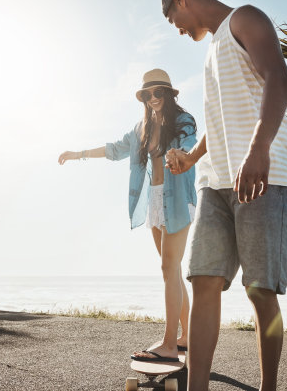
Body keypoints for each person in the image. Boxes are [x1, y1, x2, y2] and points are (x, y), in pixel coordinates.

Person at [161, 0, 287, 390]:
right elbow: (220, 122)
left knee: (259, 291)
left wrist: (258, 150)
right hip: (215, 185)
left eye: (173, 19)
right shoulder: (211, 50)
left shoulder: (245, 18)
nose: (177, 29)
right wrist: (192, 157)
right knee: (203, 280)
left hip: (263, 179)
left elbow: (280, 79)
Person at [58, 68, 198, 362]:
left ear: (169, 94)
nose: (153, 98)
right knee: (170, 270)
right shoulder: (141, 129)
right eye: (147, 94)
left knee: (168, 268)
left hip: (177, 201)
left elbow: (190, 143)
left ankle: (170, 344)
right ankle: (187, 336)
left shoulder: (183, 120)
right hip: (154, 201)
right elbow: (114, 150)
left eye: (158, 92)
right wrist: (77, 154)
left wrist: (181, 155)